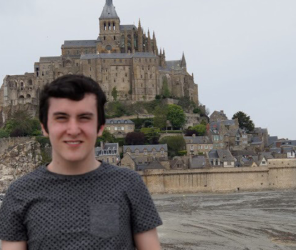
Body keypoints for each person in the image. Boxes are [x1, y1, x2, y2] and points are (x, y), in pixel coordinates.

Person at [0, 75, 162, 250]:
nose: (73, 130)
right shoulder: (19, 193)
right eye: (61, 118)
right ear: (44, 127)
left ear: (100, 126)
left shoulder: (129, 184)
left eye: (84, 117)